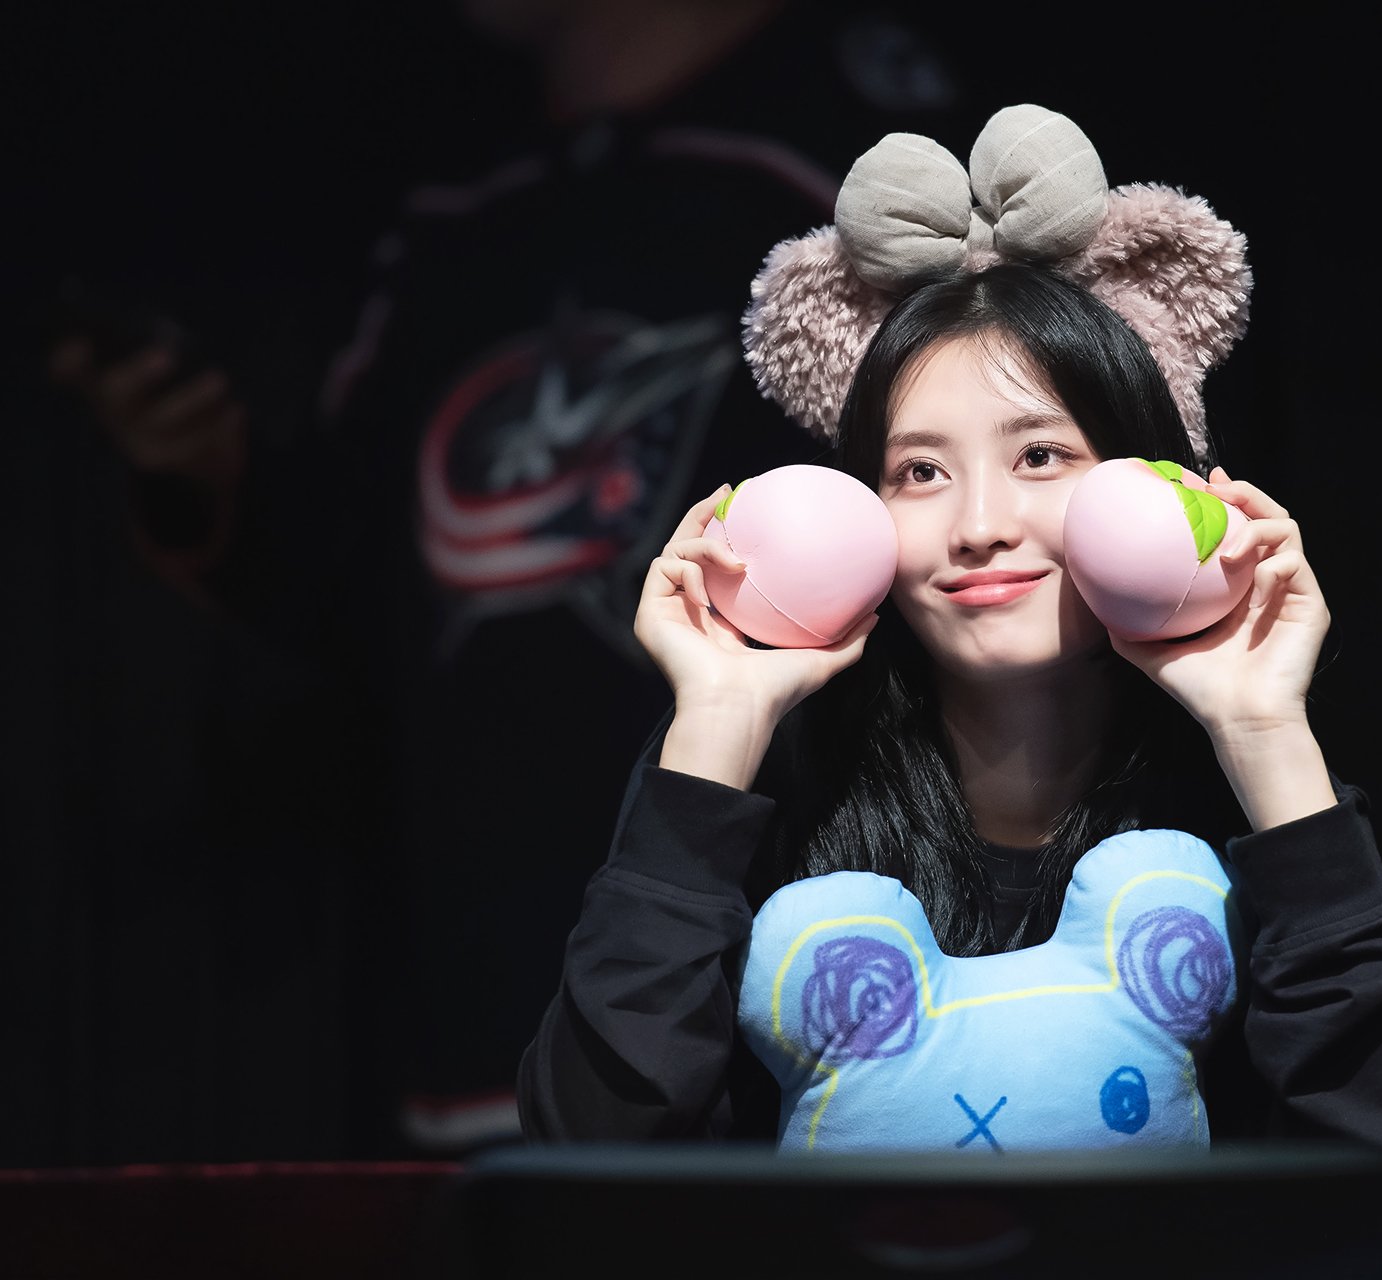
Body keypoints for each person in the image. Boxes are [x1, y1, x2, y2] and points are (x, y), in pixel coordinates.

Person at [43, 1, 981, 1157]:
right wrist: (204, 471)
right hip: (493, 1021)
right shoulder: (456, 219)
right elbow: (343, 582)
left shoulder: (860, 167)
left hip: (810, 1047)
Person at [518, 107, 1382, 1165]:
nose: (979, 525)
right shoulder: (756, 785)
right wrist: (712, 726)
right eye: (919, 471)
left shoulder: (1250, 795)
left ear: (1153, 478)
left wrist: (1265, 735)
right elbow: (590, 1155)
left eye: (1040, 456)